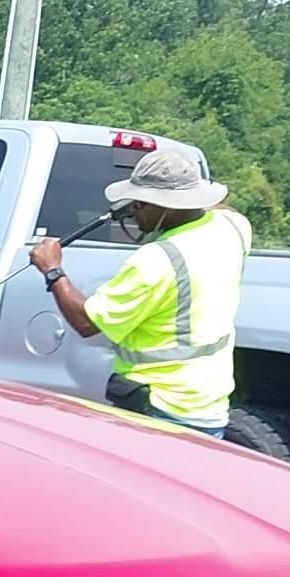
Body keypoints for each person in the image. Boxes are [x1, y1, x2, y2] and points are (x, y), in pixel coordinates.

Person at [30, 147, 253, 437]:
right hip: (207, 409)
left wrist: (53, 270)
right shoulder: (233, 228)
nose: (134, 209)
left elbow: (86, 323)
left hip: (159, 412)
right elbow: (220, 208)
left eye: (142, 203)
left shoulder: (156, 261)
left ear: (171, 206)